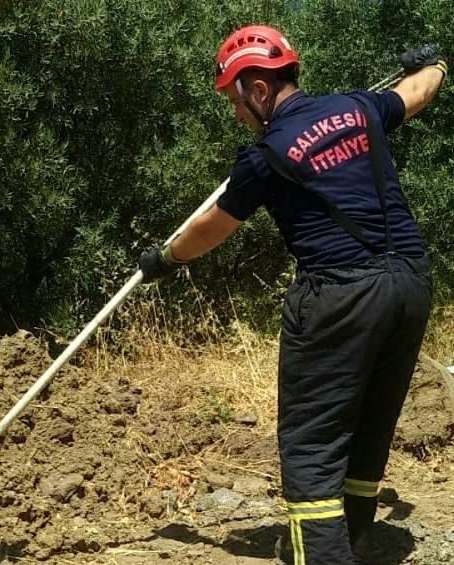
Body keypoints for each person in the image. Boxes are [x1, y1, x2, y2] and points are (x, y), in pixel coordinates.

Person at [139, 25, 446, 565]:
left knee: (312, 448)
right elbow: (418, 92)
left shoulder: (265, 156)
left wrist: (166, 260)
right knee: (369, 427)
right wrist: (437, 63)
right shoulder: (360, 108)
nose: (236, 113)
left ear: (257, 90)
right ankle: (350, 543)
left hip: (340, 295)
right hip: (410, 285)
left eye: (235, 100)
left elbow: (212, 227)